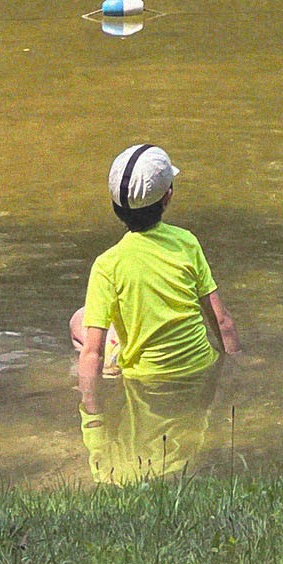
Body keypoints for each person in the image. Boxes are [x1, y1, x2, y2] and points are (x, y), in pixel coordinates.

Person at [70, 142, 238, 421]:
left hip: (145, 379)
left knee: (79, 320)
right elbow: (222, 322)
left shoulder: (107, 264)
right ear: (167, 197)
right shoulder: (187, 243)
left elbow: (92, 354)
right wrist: (236, 367)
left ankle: (116, 369)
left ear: (115, 206)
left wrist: (93, 418)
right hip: (199, 365)